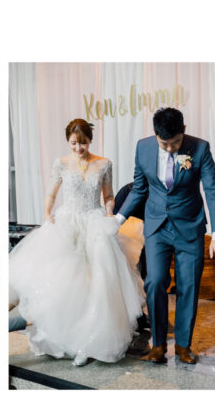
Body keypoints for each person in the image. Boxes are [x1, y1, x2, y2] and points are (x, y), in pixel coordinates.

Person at [9, 119, 145, 365]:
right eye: (73, 143)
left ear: (89, 140)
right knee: (66, 283)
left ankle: (90, 342)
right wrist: (47, 214)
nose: (78, 148)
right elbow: (51, 192)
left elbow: (108, 195)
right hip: (68, 223)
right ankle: (63, 337)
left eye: (82, 143)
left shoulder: (104, 164)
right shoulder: (61, 163)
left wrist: (110, 215)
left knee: (97, 284)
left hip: (94, 222)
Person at [116, 107, 215, 365]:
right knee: (154, 282)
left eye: (175, 142)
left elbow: (213, 189)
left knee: (188, 285)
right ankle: (158, 345)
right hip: (157, 226)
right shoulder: (143, 148)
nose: (169, 148)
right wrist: (118, 219)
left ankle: (184, 346)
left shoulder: (200, 148)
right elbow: (139, 188)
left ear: (183, 131)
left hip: (189, 226)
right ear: (155, 134)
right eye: (163, 143)